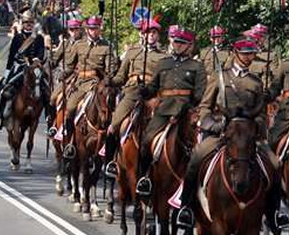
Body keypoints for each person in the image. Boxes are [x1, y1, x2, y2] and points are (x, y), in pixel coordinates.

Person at [177, 38, 277, 226]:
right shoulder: (219, 77)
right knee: (195, 159)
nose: (249, 57)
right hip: (221, 135)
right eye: (245, 53)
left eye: (252, 53)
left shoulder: (255, 83)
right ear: (235, 53)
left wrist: (255, 127)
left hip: (247, 138)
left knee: (275, 164)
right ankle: (186, 206)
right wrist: (212, 125)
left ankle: (274, 213)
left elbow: (262, 114)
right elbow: (205, 107)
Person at [134, 26, 206, 205]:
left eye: (182, 43)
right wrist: (145, 90)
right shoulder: (163, 63)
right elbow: (154, 87)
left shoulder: (197, 67)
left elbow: (200, 93)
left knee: (201, 148)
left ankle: (202, 185)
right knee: (146, 141)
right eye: (176, 42)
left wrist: (190, 106)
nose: (178, 45)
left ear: (189, 45)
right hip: (164, 110)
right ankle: (144, 179)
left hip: (186, 112)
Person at [105, 18, 167, 180]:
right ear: (142, 34)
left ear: (158, 36)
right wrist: (111, 80)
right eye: (148, 33)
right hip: (132, 91)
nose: (151, 36)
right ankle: (110, 161)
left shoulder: (163, 56)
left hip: (152, 94)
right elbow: (121, 76)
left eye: (154, 33)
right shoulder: (132, 52)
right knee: (114, 124)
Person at [54, 17, 110, 153]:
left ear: (99, 29)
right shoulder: (79, 45)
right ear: (87, 30)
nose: (94, 31)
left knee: (108, 111)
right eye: (91, 28)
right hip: (80, 83)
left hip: (97, 83)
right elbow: (70, 66)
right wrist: (63, 74)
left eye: (96, 28)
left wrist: (107, 80)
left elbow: (110, 69)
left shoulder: (106, 47)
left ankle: (107, 146)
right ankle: (69, 139)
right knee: (71, 107)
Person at [0, 12, 47, 129]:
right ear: (22, 24)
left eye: (31, 23)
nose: (29, 25)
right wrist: (7, 71)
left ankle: (49, 120)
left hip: (34, 67)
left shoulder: (38, 38)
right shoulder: (17, 37)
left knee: (47, 90)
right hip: (19, 67)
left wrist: (37, 60)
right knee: (3, 89)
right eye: (26, 23)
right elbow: (12, 55)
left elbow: (41, 53)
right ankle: (0, 118)